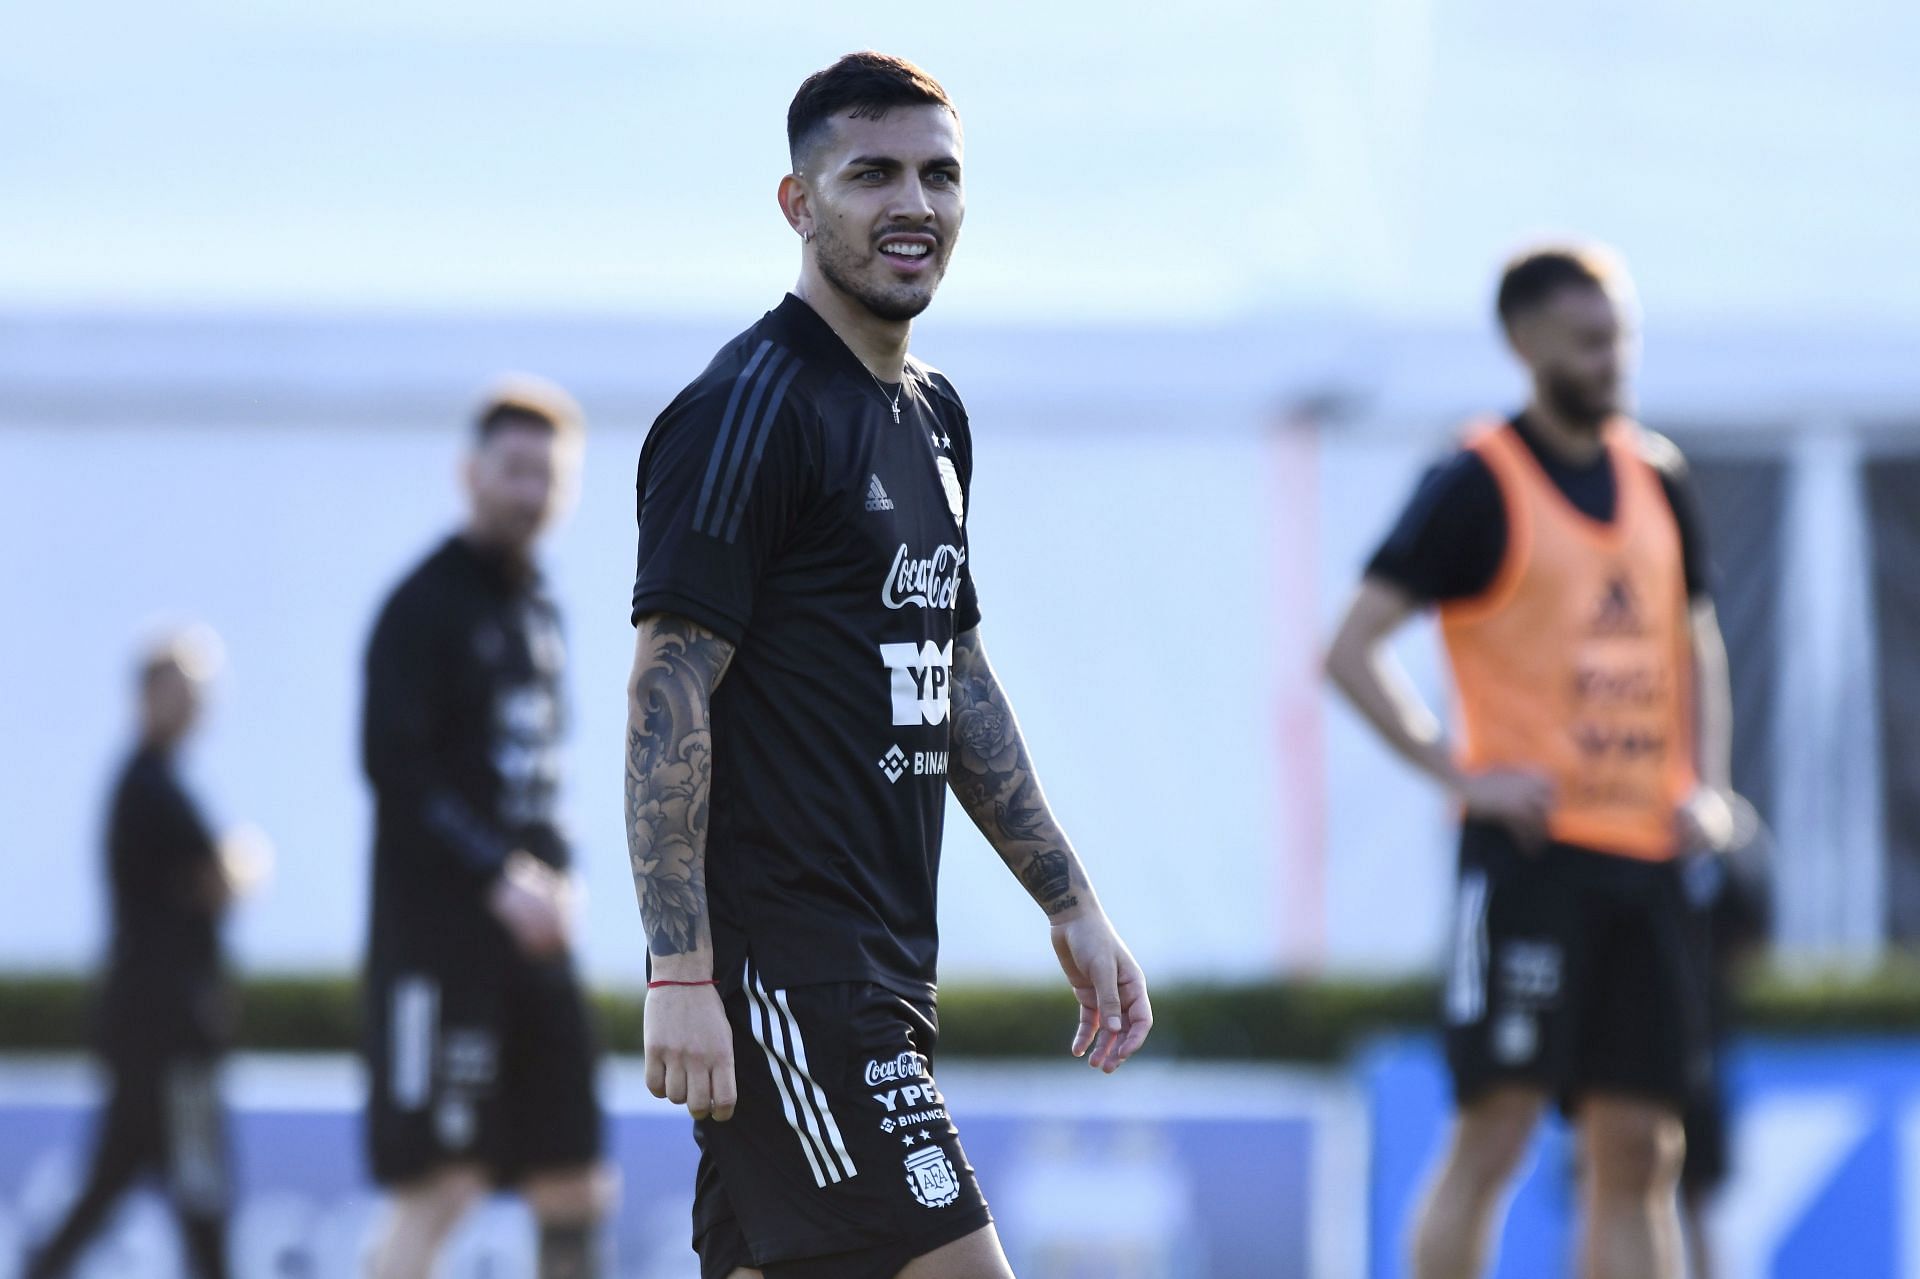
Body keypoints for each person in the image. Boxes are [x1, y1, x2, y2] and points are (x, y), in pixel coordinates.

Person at [625, 51, 1153, 1279]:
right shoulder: (747, 407)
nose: (912, 204)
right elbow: (669, 685)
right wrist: (682, 970)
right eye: (871, 175)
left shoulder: (934, 414)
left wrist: (1069, 903)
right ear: (799, 204)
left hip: (878, 960)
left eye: (939, 175)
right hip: (788, 974)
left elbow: (953, 669)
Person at [1325, 244, 1736, 1279]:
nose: (1614, 359)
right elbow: (1351, 650)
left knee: (1643, 1147)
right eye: (1591, 341)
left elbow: (1697, 642)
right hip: (1531, 861)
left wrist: (1710, 787)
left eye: (1623, 336)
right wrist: (1460, 774)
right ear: (1526, 344)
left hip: (1646, 862)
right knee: (1497, 1130)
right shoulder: (1478, 482)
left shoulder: (1658, 476)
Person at [360, 379, 614, 1279]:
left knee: (573, 1180)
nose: (530, 491)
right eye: (513, 469)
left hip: (539, 951)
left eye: (549, 475)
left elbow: (543, 780)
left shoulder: (541, 612)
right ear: (471, 474)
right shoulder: (421, 607)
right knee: (444, 1183)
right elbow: (396, 770)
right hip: (440, 951)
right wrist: (496, 877)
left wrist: (564, 878)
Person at [26, 627, 267, 1279]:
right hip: (167, 1035)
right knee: (199, 1196)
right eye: (184, 691)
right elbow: (222, 877)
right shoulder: (149, 785)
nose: (197, 705)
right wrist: (242, 863)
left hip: (154, 1029)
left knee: (126, 1186)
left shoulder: (155, 780)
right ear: (149, 694)